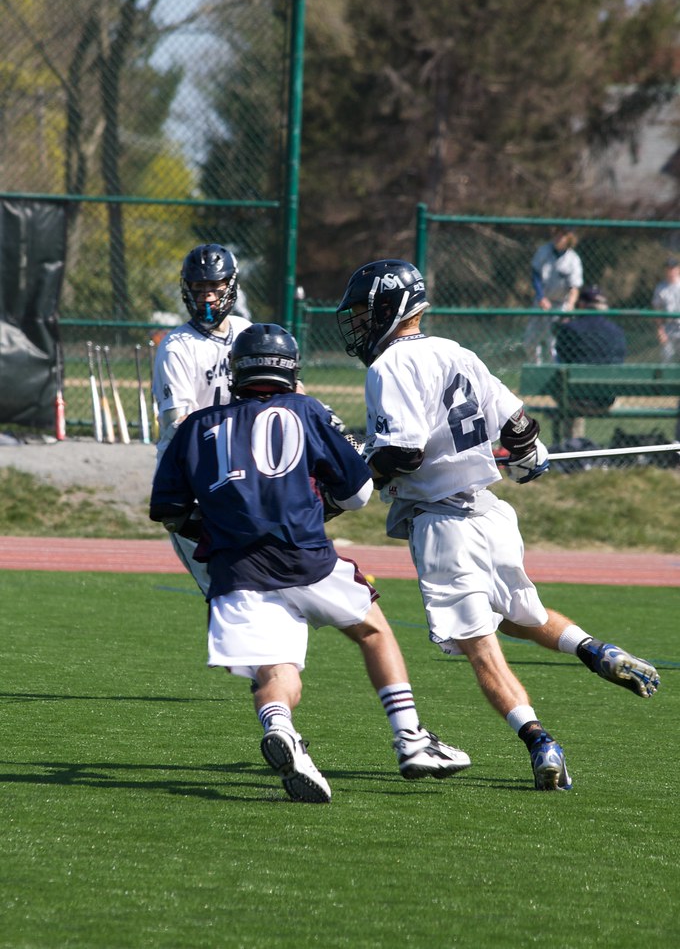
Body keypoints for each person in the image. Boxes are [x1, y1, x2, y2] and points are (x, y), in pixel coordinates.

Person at [336, 259, 660, 792]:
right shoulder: (458, 351)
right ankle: (595, 650)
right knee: (513, 613)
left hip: (443, 522)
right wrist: (529, 457)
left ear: (388, 308)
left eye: (363, 313)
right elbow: (520, 426)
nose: (359, 325)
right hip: (491, 512)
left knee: (480, 646)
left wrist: (355, 473)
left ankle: (540, 742)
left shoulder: (389, 367)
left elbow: (404, 453)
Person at [150, 322, 471, 803]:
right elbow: (360, 494)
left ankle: (281, 728)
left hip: (234, 570)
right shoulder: (306, 410)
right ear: (291, 370)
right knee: (374, 631)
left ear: (236, 370)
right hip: (304, 556)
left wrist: (215, 523)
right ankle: (411, 739)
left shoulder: (198, 426)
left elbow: (168, 511)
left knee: (277, 671)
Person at [152, 244, 252, 595]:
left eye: (214, 286)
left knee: (251, 584)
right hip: (192, 479)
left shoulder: (247, 332)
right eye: (198, 288)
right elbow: (178, 425)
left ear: (230, 285)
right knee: (223, 588)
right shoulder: (177, 346)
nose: (206, 296)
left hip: (239, 474)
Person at [554, 285, 627, 438]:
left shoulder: (570, 329)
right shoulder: (617, 331)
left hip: (575, 399)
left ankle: (571, 445)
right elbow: (620, 360)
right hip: (606, 399)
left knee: (566, 384)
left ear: (581, 304)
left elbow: (561, 358)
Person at [525, 226, 583, 364]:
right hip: (541, 303)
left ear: (569, 238)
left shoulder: (573, 259)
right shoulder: (544, 251)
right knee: (529, 342)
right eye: (556, 234)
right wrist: (540, 297)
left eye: (562, 235)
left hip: (560, 305)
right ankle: (536, 371)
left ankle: (553, 380)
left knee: (553, 346)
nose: (558, 238)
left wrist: (569, 306)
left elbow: (574, 287)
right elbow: (536, 275)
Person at [651, 256, 680, 363]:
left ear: (678, 269)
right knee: (666, 360)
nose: (670, 271)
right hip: (669, 328)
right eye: (668, 268)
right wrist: (660, 330)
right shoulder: (661, 287)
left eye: (673, 268)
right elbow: (657, 310)